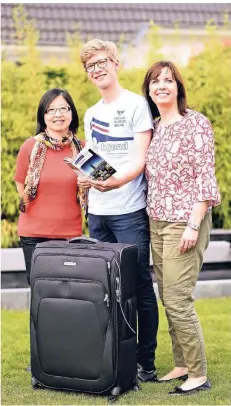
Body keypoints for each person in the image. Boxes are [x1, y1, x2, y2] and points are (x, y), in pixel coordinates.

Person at [79, 38, 159, 382]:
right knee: (106, 287)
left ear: (116, 64)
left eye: (101, 62)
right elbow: (94, 162)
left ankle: (146, 362)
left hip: (129, 212)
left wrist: (114, 184)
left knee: (139, 284)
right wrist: (87, 177)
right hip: (98, 214)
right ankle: (115, 355)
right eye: (90, 66)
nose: (97, 70)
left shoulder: (137, 104)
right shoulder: (91, 113)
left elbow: (140, 160)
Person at [142, 61, 221, 395]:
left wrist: (193, 224)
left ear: (178, 87)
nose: (162, 86)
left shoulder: (195, 123)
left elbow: (205, 176)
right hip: (157, 221)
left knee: (177, 298)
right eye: (155, 81)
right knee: (167, 295)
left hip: (185, 221)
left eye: (168, 80)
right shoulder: (155, 127)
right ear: (148, 90)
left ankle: (198, 374)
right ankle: (182, 363)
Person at [15, 88, 85, 288]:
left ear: (72, 114)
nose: (58, 115)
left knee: (69, 291)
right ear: (43, 116)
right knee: (41, 293)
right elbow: (20, 181)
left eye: (64, 108)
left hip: (69, 234)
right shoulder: (30, 147)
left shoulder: (82, 149)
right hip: (34, 234)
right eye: (51, 110)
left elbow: (102, 181)